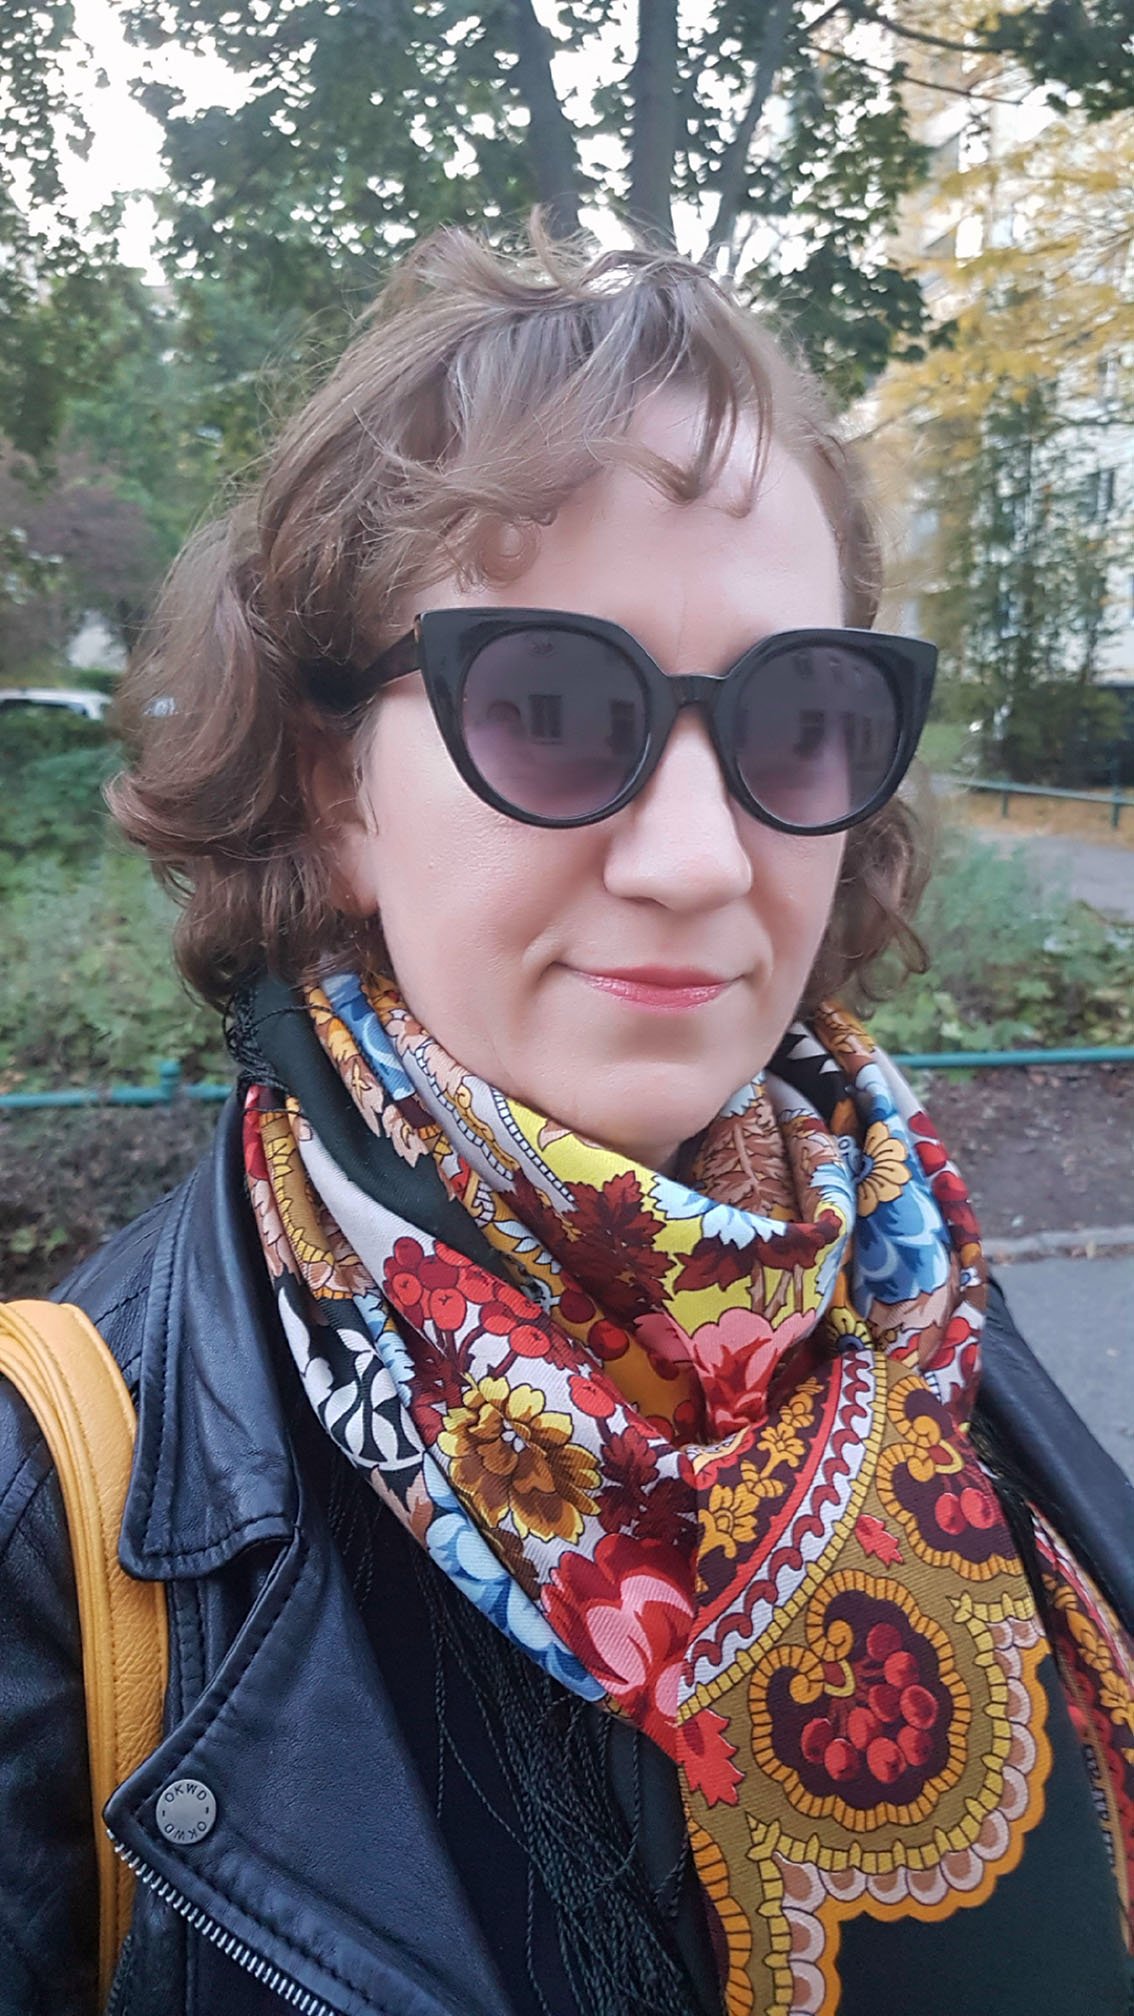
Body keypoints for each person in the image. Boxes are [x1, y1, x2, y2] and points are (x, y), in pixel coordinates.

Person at [2, 227, 1131, 2016]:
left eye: (799, 717)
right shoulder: (51, 1516)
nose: (695, 861)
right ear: (335, 789)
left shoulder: (912, 1286)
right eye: (546, 708)